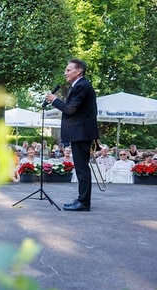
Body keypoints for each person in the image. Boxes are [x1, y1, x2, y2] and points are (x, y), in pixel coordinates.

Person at [46, 59, 99, 212]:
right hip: (80, 133)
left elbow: (70, 110)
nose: (65, 73)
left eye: (69, 70)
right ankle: (82, 199)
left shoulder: (81, 86)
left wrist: (55, 100)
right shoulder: (80, 86)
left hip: (81, 133)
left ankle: (83, 202)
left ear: (79, 72)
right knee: (82, 168)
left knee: (82, 169)